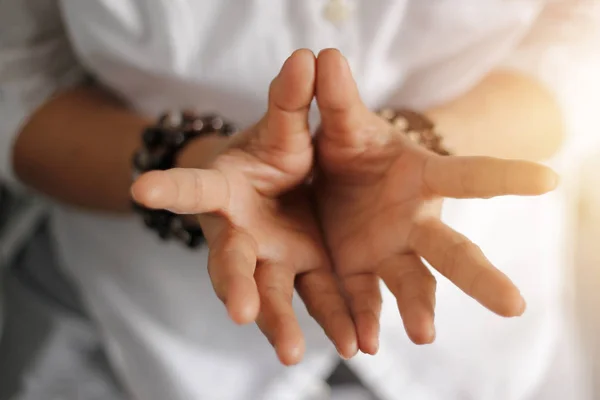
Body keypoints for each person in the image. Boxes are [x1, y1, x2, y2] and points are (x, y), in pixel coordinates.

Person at [0, 0, 598, 399]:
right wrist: (197, 167)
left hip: (478, 334)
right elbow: (17, 82)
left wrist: (425, 144)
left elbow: (580, 38)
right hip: (129, 326)